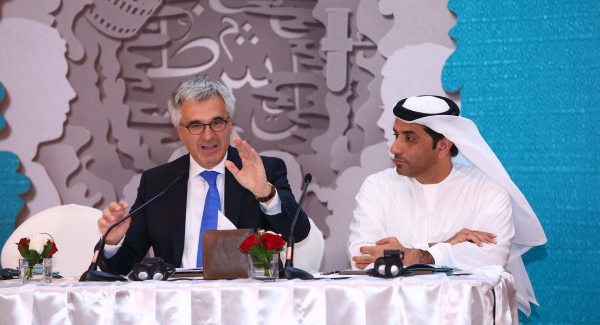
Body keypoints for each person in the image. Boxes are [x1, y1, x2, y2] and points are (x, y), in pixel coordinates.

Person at [348, 95, 546, 315]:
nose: (394, 148)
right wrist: (444, 247)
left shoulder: (487, 190)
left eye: (410, 138)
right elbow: (362, 258)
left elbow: (492, 259)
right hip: (393, 314)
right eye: (396, 135)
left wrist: (415, 256)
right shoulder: (377, 186)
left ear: (443, 146)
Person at [97, 76, 311, 275]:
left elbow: (298, 232)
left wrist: (265, 193)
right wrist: (112, 243)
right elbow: (120, 267)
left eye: (217, 122)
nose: (208, 136)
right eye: (196, 125)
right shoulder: (157, 183)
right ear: (180, 132)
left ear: (230, 124)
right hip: (176, 297)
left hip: (245, 296)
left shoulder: (263, 171)